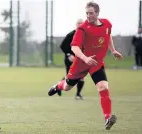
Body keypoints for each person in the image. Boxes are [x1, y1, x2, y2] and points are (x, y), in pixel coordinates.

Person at [48, 2, 123, 130]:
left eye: (91, 13)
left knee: (103, 87)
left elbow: (107, 35)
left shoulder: (107, 24)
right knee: (67, 87)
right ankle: (58, 85)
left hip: (96, 63)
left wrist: (113, 50)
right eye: (87, 13)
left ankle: (107, 118)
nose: (88, 16)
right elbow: (74, 47)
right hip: (81, 64)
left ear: (97, 13)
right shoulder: (82, 28)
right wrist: (85, 58)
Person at [59, 19, 85, 99]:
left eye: (82, 23)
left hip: (79, 59)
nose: (80, 25)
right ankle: (59, 85)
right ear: (76, 25)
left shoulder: (85, 35)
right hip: (70, 59)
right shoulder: (71, 34)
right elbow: (62, 46)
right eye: (78, 23)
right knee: (69, 78)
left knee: (81, 76)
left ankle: (78, 94)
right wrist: (69, 55)